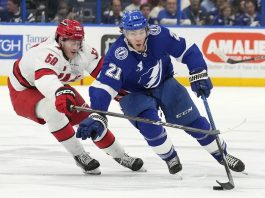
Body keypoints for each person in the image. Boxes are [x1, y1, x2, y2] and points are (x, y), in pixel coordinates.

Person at [75, 10, 245, 175]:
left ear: (147, 29)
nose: (138, 37)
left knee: (193, 122)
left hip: (164, 83)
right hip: (133, 94)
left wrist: (198, 72)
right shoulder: (118, 55)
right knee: (150, 127)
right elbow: (104, 87)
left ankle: (222, 155)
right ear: (123, 33)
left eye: (141, 31)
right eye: (132, 33)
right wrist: (97, 115)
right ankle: (170, 157)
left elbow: (188, 50)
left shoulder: (160, 35)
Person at [7, 19, 144, 175]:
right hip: (23, 90)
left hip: (56, 85)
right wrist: (60, 93)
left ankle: (121, 156)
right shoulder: (45, 53)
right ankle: (80, 155)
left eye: (78, 41)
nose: (76, 46)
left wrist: (123, 93)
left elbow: (104, 75)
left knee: (90, 119)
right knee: (52, 111)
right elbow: (45, 79)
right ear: (60, 39)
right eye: (71, 41)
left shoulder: (85, 51)